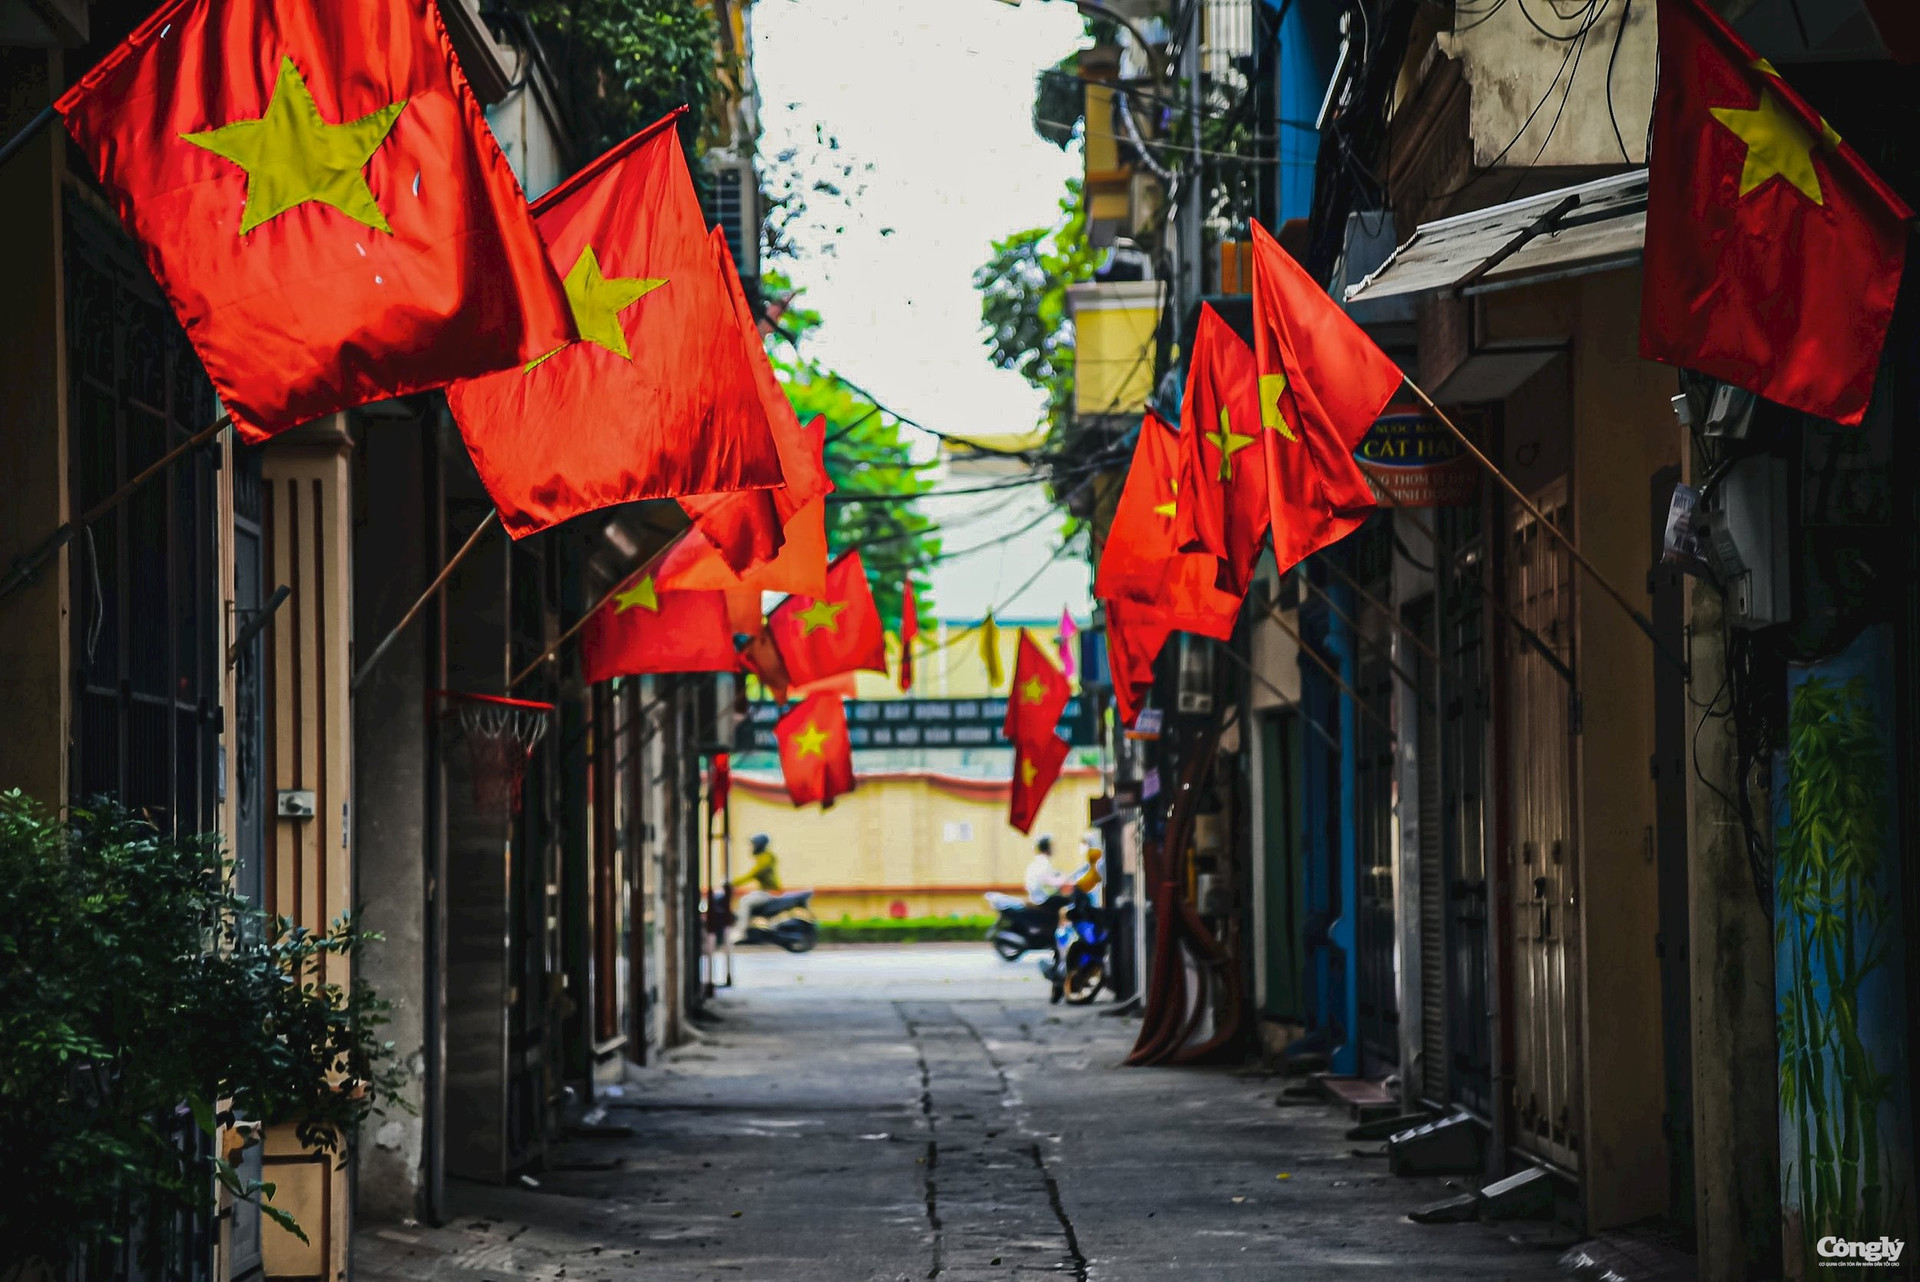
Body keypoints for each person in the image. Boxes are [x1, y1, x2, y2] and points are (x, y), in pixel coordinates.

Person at [734, 833, 780, 942]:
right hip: (766, 891)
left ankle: (741, 932)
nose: (752, 847)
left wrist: (733, 883)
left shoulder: (765, 859)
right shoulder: (764, 858)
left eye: (753, 844)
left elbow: (753, 874)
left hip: (769, 892)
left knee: (745, 902)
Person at [1025, 834, 1071, 905]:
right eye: (1052, 846)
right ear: (1048, 848)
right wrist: (1064, 879)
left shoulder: (1036, 862)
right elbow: (1049, 884)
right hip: (1042, 899)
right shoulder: (1043, 862)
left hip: (1036, 897)